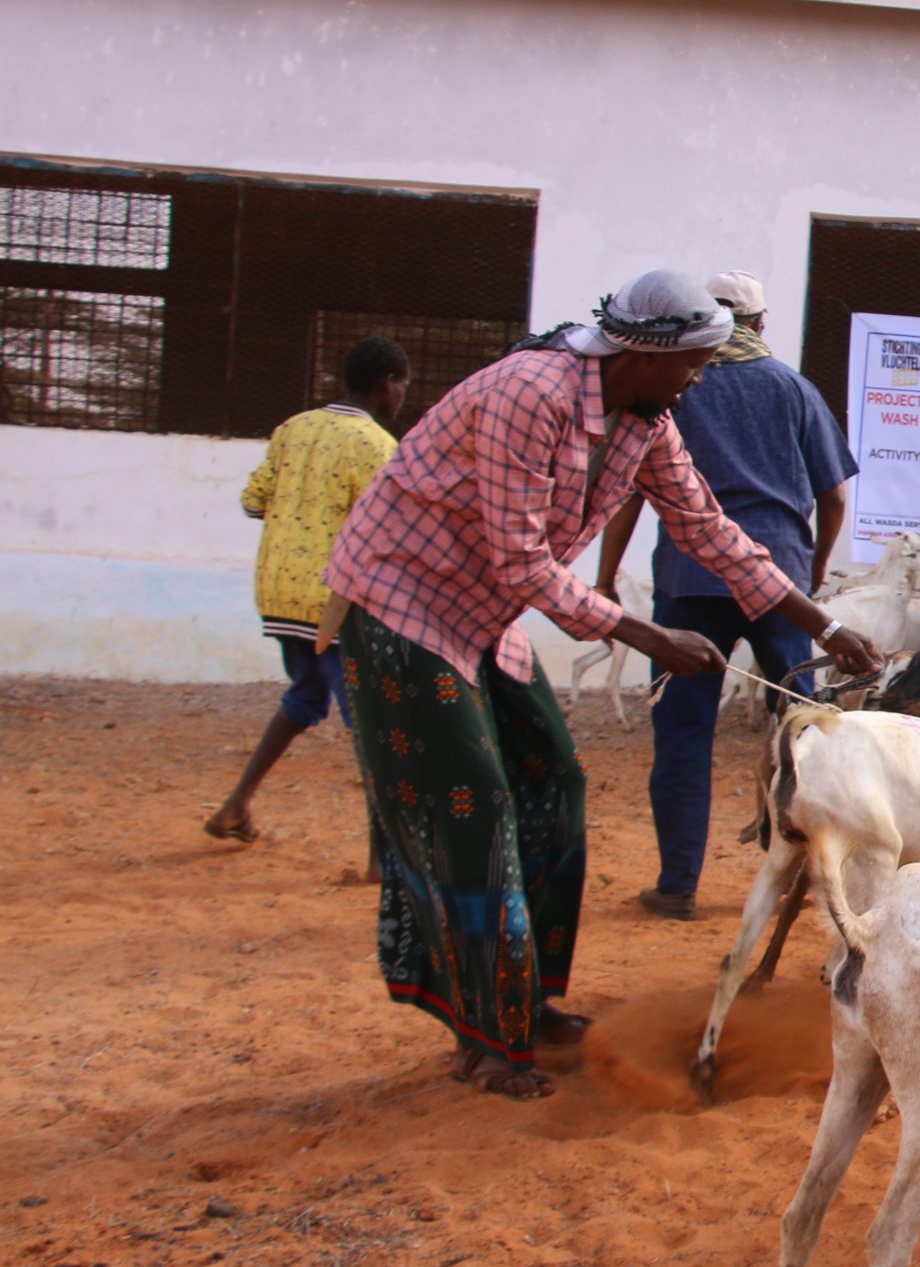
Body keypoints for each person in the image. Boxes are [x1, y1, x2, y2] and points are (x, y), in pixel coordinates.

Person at [322, 270, 882, 1099]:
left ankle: (532, 1005)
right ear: (641, 351)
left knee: (556, 782)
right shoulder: (528, 394)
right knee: (472, 808)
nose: (700, 378)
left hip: (481, 615)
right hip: (402, 602)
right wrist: (649, 633)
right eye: (692, 362)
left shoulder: (646, 419)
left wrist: (824, 626)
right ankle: (485, 1035)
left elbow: (707, 527)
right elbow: (522, 561)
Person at [590, 270, 856, 921]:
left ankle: (677, 883)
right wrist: (812, 573)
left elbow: (627, 491)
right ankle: (806, 879)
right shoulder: (793, 388)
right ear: (761, 323)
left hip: (689, 580)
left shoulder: (675, 383)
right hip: (779, 581)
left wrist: (603, 579)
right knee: (803, 733)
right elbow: (835, 494)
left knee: (683, 730)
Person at [204, 336, 410, 847]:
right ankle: (382, 856)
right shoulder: (378, 446)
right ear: (388, 385)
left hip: (278, 593)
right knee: (372, 724)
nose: (401, 396)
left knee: (305, 695)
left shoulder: (293, 429)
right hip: (334, 602)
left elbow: (254, 503)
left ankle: (235, 806)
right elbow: (393, 525)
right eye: (402, 387)